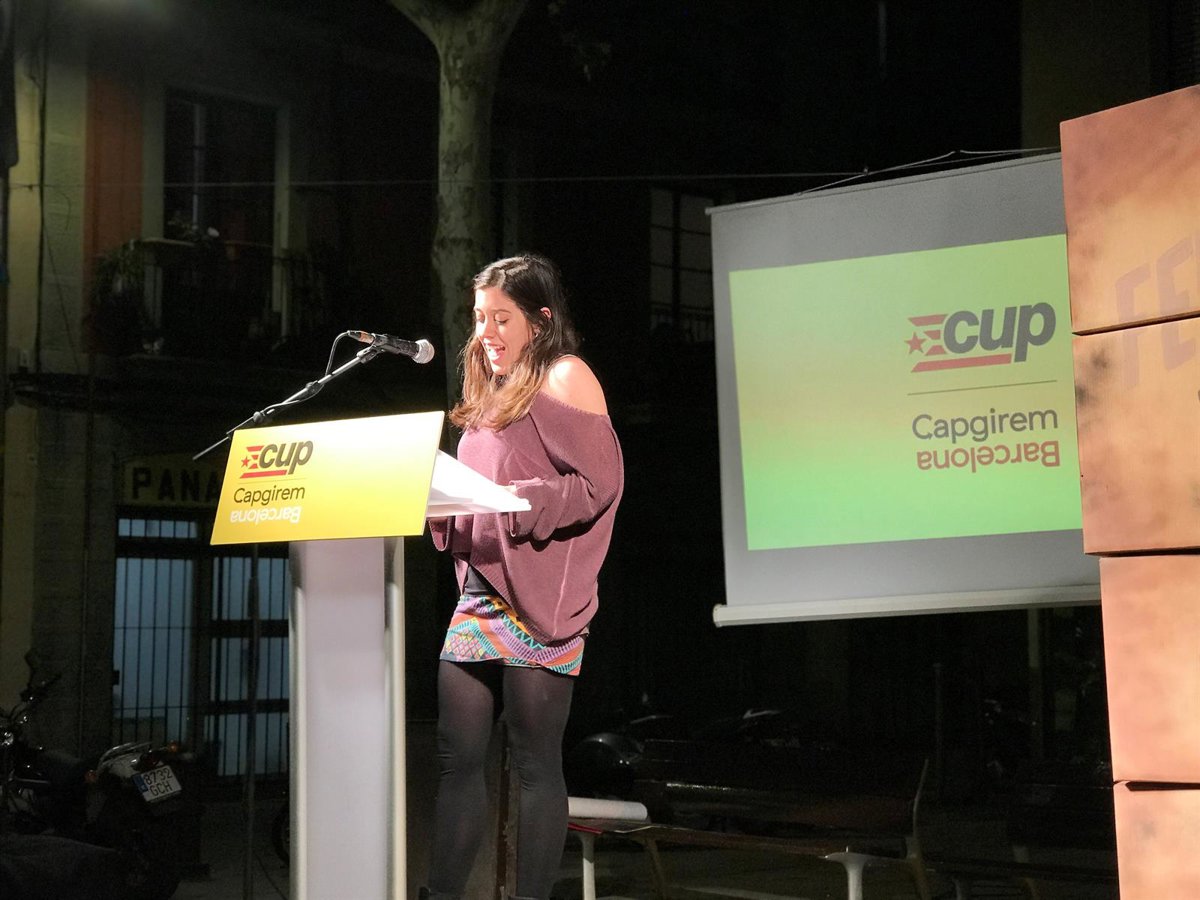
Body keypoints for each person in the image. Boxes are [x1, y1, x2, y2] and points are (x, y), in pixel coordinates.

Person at [423, 254, 624, 900]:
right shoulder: (489, 393)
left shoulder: (564, 375)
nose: (486, 332)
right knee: (456, 757)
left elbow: (599, 485)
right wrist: (443, 507)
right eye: (479, 317)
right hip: (481, 594)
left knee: (535, 763)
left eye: (501, 318)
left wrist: (519, 499)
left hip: (541, 603)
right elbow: (478, 494)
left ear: (539, 320)